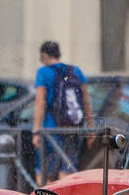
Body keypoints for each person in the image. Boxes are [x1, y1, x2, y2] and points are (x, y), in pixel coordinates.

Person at [32, 40, 90, 184]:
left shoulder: (43, 72)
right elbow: (86, 102)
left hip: (51, 130)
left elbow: (40, 103)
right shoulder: (75, 71)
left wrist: (36, 131)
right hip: (72, 129)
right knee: (67, 172)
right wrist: (90, 127)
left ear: (44, 55)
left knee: (45, 174)